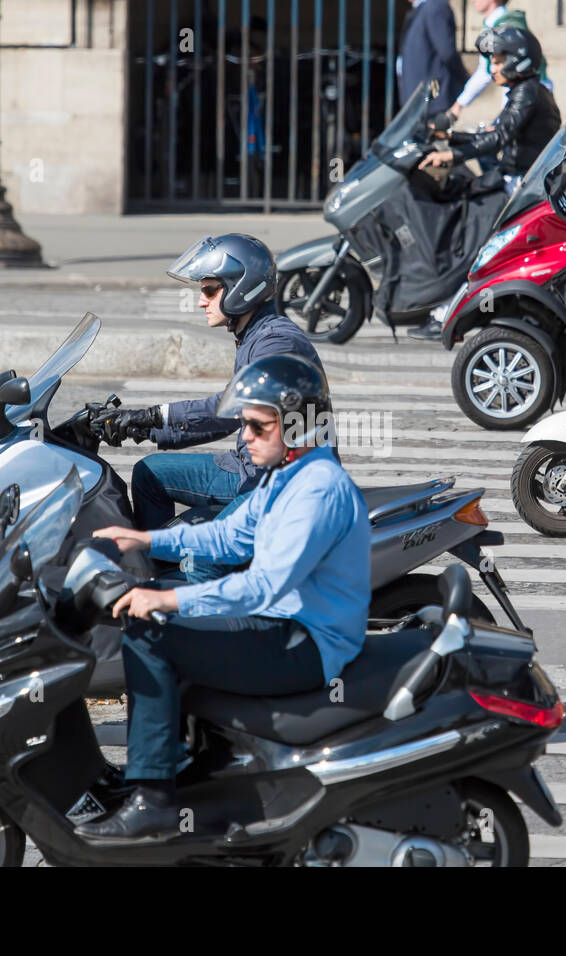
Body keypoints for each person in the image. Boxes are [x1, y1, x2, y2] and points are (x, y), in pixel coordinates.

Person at [77, 355, 371, 841]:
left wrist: (166, 603)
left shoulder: (317, 488)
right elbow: (231, 537)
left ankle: (153, 798)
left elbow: (262, 586)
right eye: (244, 425)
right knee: (162, 604)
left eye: (258, 426)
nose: (246, 437)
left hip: (305, 641)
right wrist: (147, 542)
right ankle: (192, 769)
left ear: (298, 425)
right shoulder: (287, 474)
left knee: (151, 633)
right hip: (282, 623)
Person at [96, 234, 324, 533]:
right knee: (149, 473)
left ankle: (192, 572)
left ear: (240, 287)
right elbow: (230, 420)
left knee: (206, 553)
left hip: (278, 481)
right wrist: (144, 429)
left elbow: (231, 410)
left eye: (209, 290)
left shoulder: (276, 343)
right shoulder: (253, 335)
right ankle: (154, 565)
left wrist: (153, 415)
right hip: (248, 467)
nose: (202, 300)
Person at [407, 26, 559, 340]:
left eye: (498, 60)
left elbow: (497, 138)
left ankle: (446, 311)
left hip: (520, 187)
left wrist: (452, 154)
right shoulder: (524, 91)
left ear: (518, 59)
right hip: (515, 180)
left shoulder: (528, 93)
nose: (492, 68)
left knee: (468, 236)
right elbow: (496, 133)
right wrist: (450, 136)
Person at [447, 1, 552, 120]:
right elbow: (486, 70)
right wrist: (458, 105)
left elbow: (495, 73)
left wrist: (458, 105)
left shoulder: (505, 26)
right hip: (525, 94)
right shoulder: (497, 23)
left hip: (530, 96)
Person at [398, 0, 470, 116]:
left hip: (432, 98)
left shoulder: (435, 7)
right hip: (420, 99)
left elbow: (447, 52)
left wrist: (464, 78)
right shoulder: (423, 9)